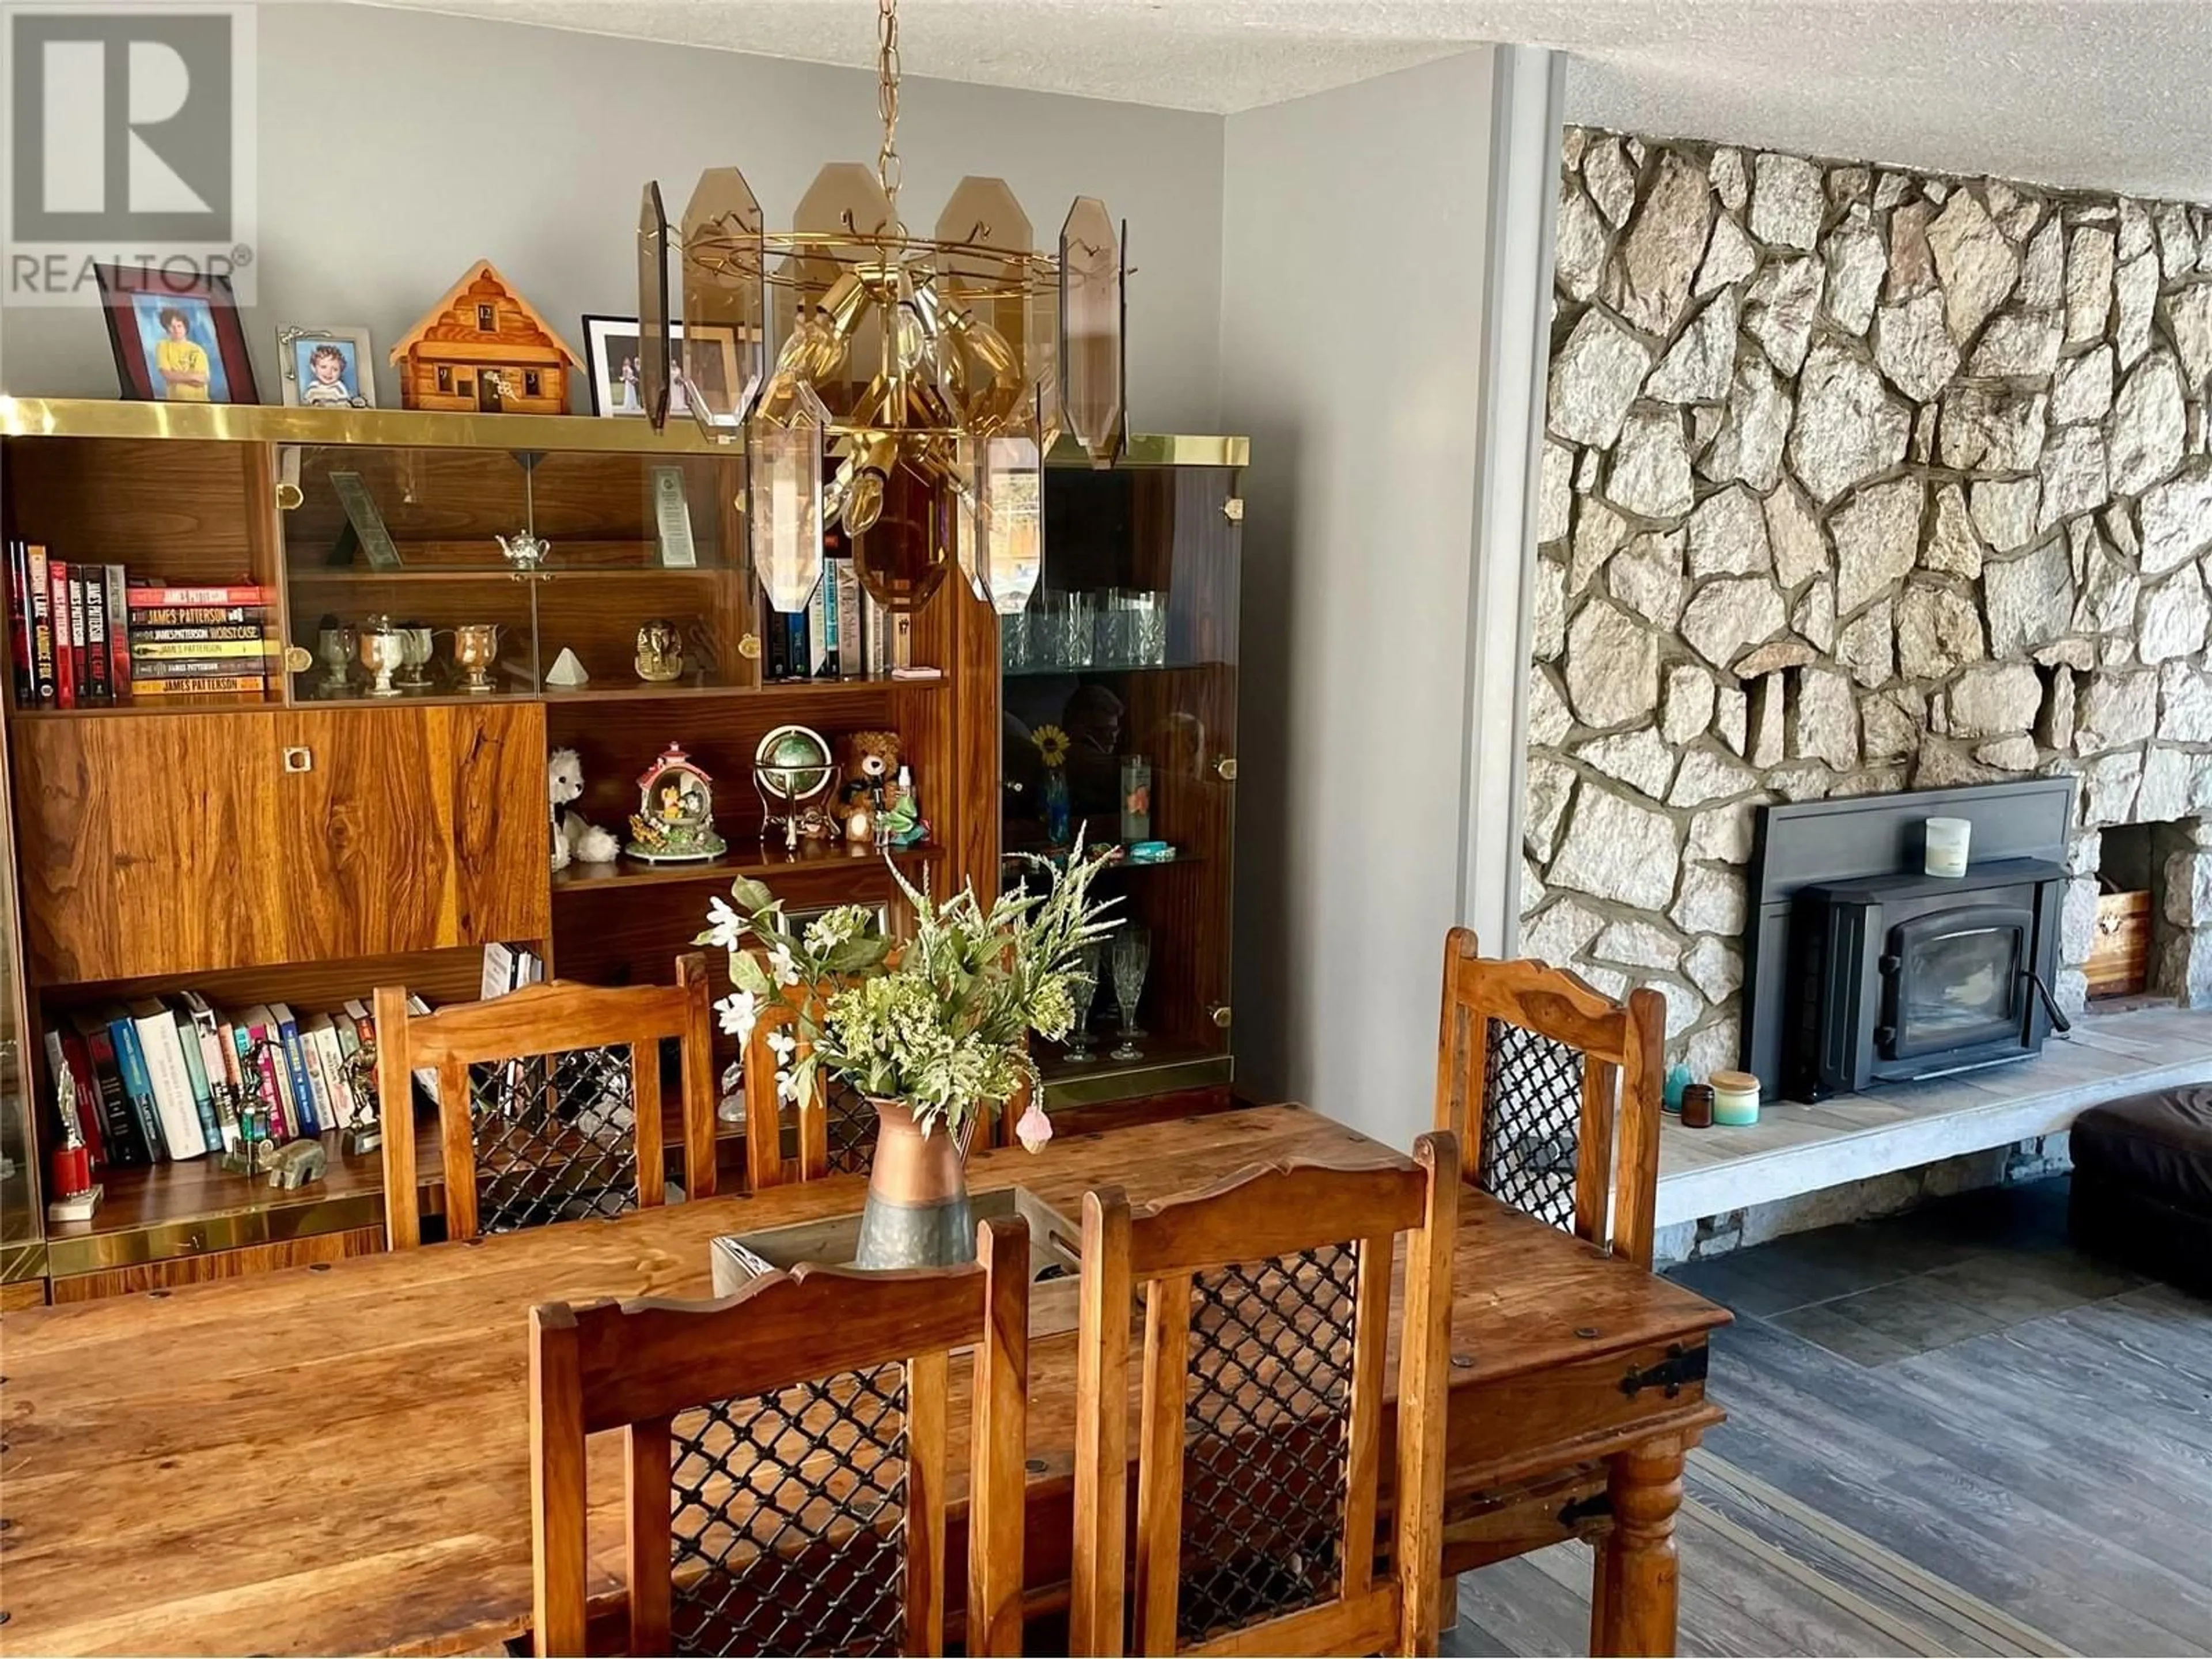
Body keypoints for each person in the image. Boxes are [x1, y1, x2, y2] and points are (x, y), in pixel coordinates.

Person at [154, 308, 212, 401]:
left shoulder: (197, 350)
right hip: (175, 404)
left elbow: (202, 380)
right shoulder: (162, 346)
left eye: (179, 326)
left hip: (201, 403)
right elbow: (167, 375)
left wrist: (177, 376)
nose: (176, 330)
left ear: (185, 327)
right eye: (172, 327)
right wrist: (192, 376)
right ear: (166, 328)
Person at [300, 342, 356, 407]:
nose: (329, 372)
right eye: (323, 367)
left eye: (335, 369)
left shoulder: (339, 388)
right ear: (314, 368)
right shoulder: (312, 387)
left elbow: (344, 411)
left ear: (341, 372)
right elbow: (305, 407)